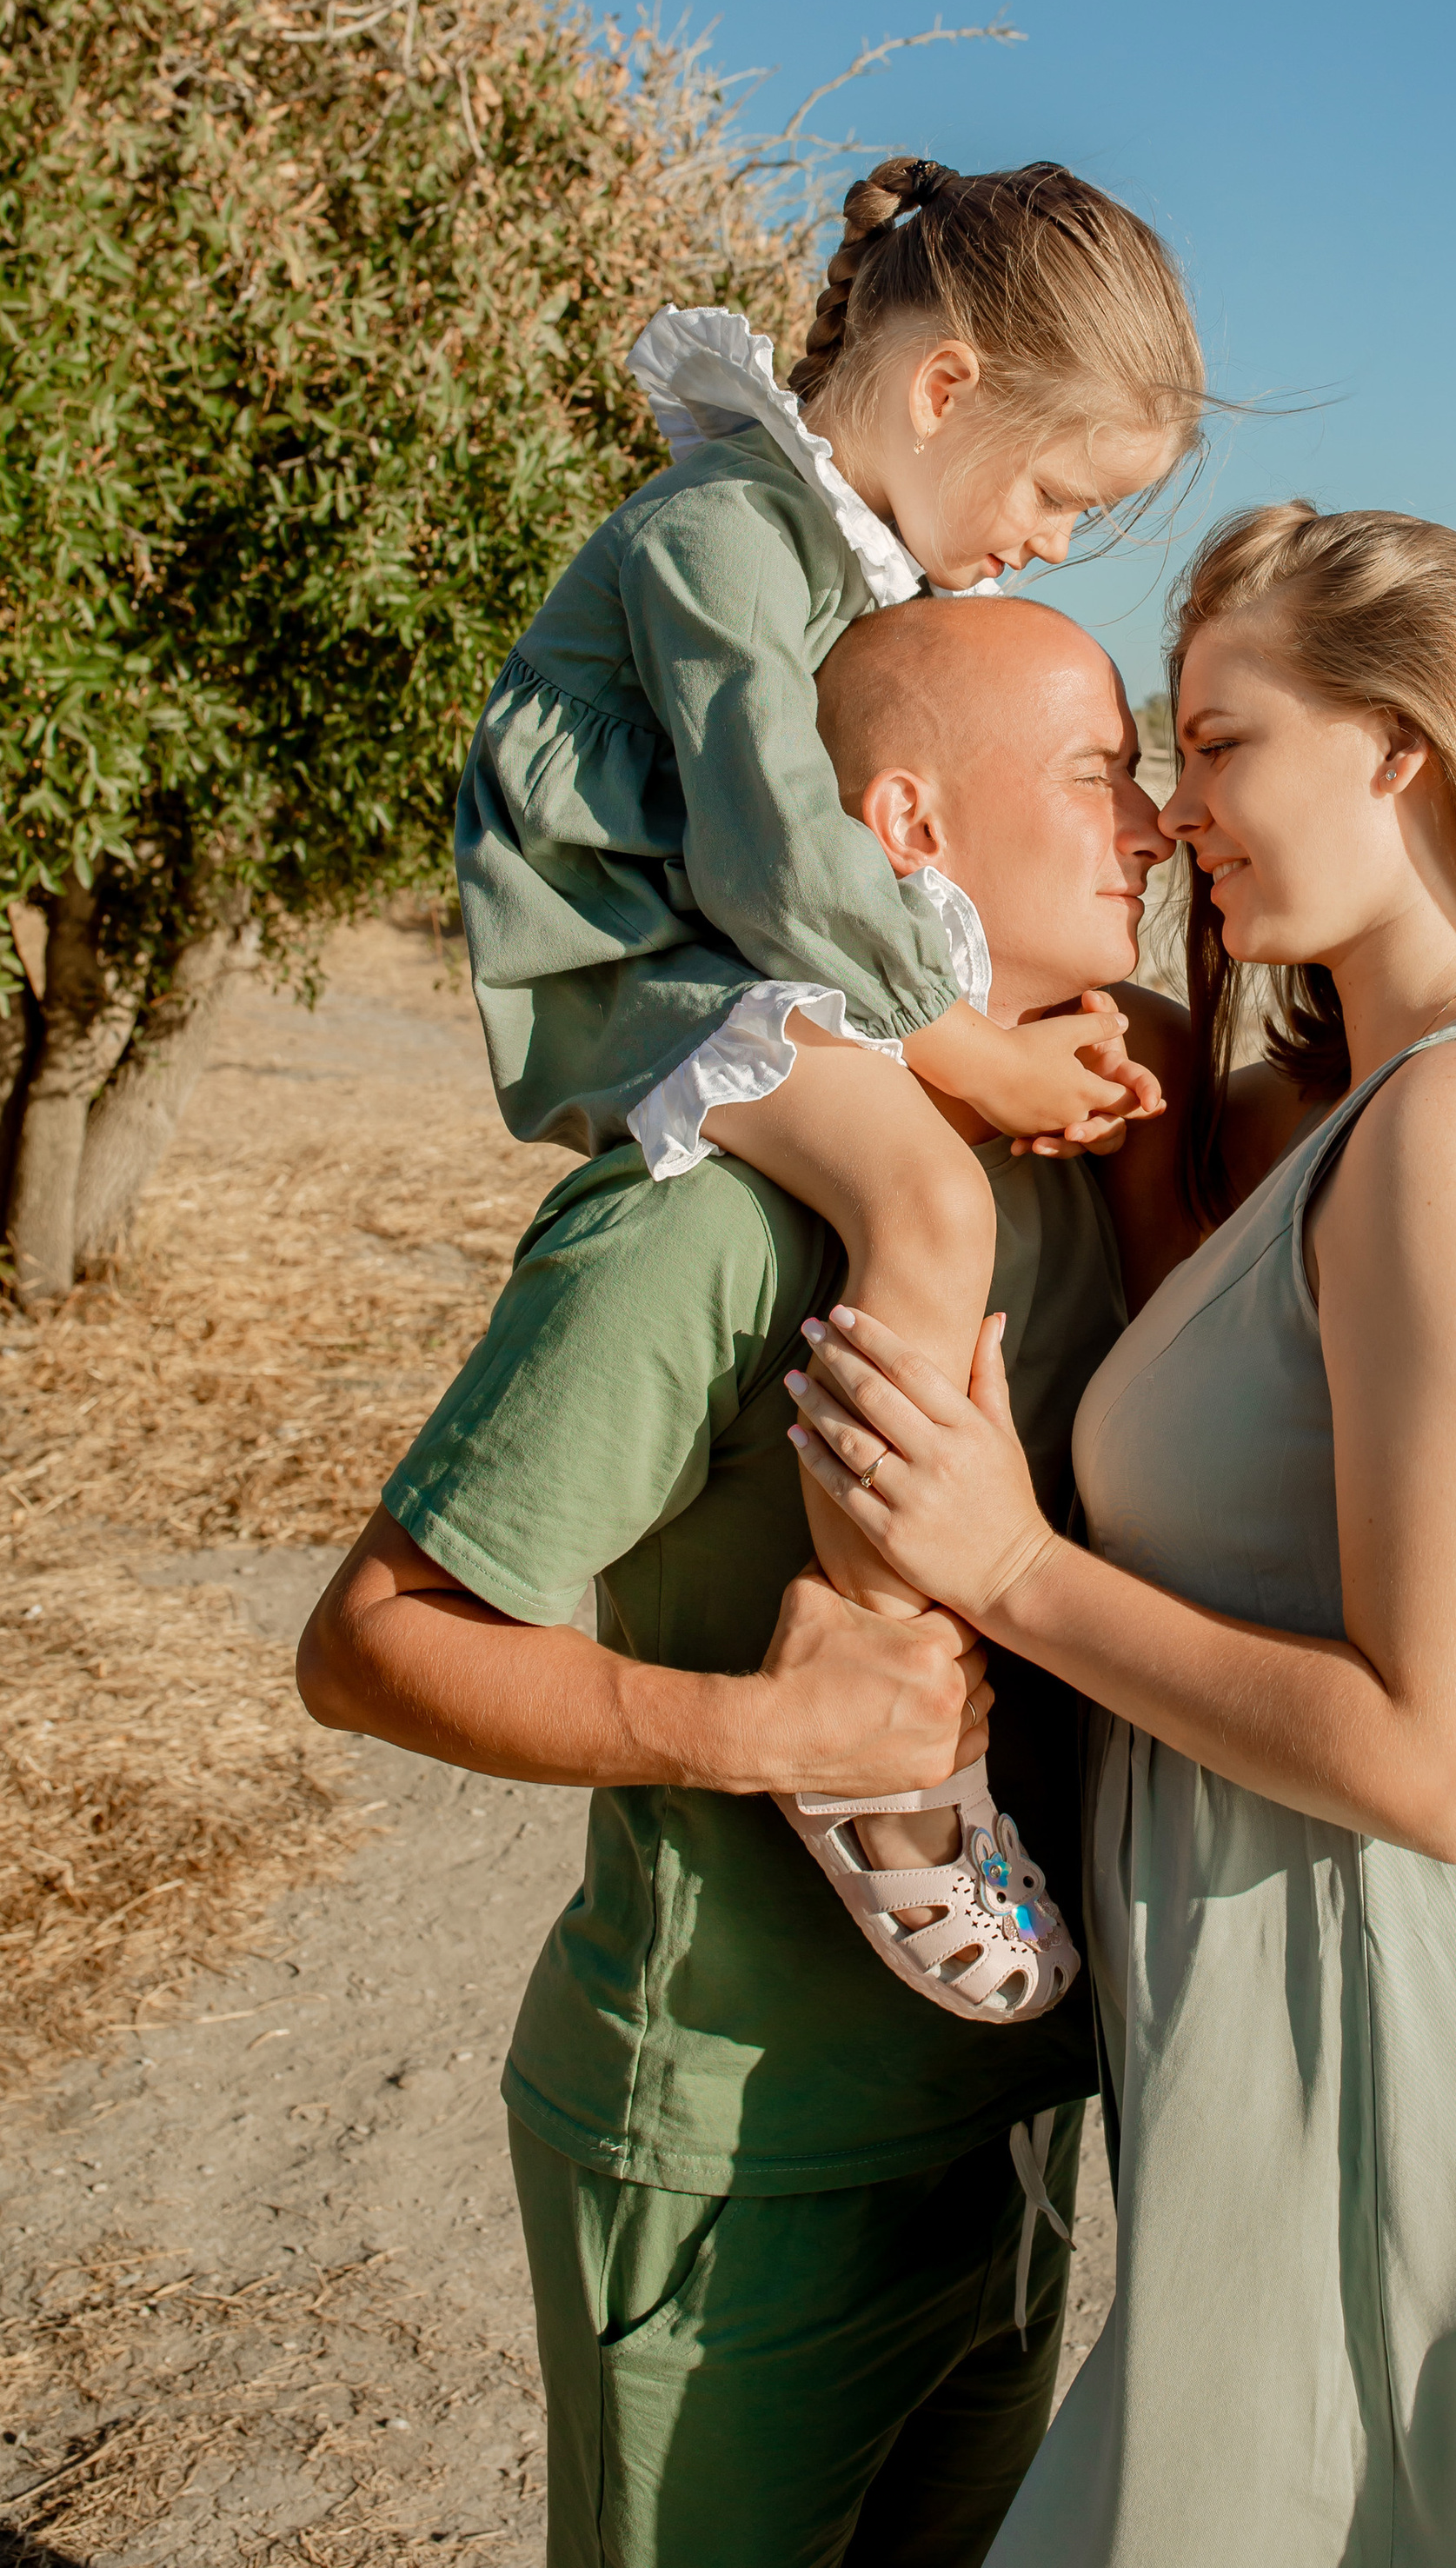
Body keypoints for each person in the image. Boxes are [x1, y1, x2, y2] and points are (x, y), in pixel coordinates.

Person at [788, 503, 1456, 2566]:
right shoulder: (1344, 1115)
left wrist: (1008, 1567)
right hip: (1263, 2016)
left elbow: (1440, 1764)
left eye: (1216, 745)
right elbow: (1246, 1439)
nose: (1170, 809)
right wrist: (1115, 1122)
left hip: (1378, 2024)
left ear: (1400, 743)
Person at [298, 595, 1189, 2568]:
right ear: (906, 827)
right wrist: (761, 1727)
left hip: (1008, 2125)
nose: (1148, 827)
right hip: (736, 2166)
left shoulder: (1071, 1168)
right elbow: (366, 1645)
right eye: (1097, 772)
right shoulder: (708, 1221)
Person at [454, 159, 1207, 2009]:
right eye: (1057, 494)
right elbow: (777, 848)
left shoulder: (837, 552)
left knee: (951, 1178)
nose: (1051, 542)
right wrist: (964, 1047)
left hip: (727, 946)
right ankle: (875, 1744)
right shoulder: (725, 529)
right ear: (946, 389)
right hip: (640, 964)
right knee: (930, 1198)